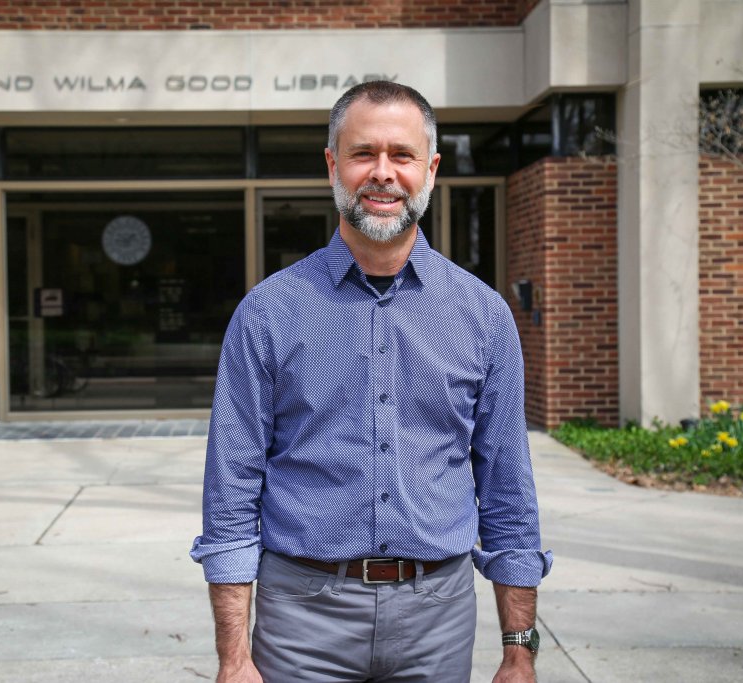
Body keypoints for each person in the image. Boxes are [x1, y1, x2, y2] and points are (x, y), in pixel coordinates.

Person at [191, 81, 552, 683]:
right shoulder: (269, 312)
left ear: (430, 169)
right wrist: (233, 657)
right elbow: (230, 493)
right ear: (333, 164)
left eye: (402, 155)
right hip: (301, 617)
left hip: (437, 618)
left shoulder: (483, 316)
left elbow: (508, 491)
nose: (382, 173)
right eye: (363, 154)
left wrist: (519, 648)